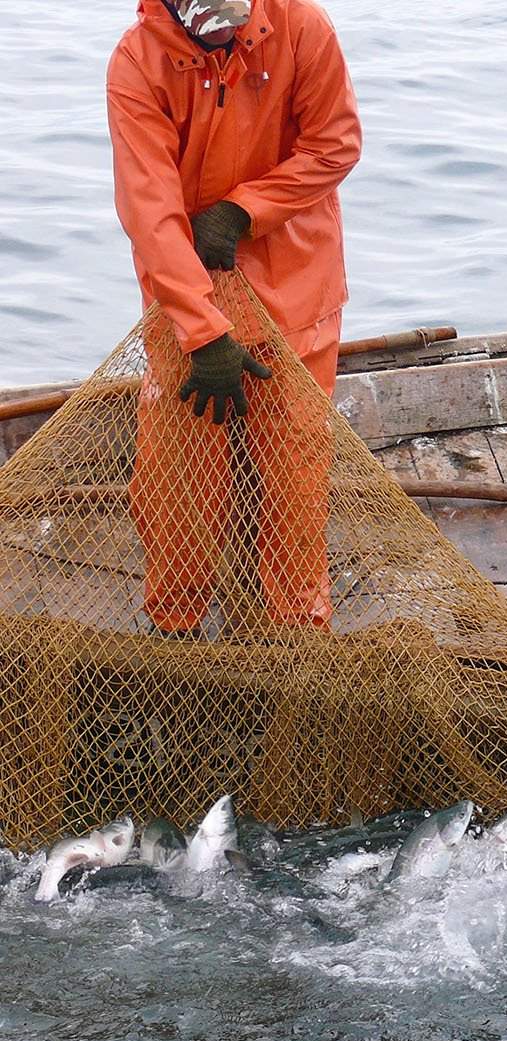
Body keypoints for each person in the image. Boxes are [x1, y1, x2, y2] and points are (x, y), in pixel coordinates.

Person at [108, 0, 362, 636]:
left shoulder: (303, 27)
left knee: (294, 482)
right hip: (186, 290)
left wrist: (245, 211)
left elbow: (335, 144)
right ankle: (176, 627)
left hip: (296, 292)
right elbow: (150, 210)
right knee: (178, 483)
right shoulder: (137, 62)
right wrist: (201, 328)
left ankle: (293, 634)